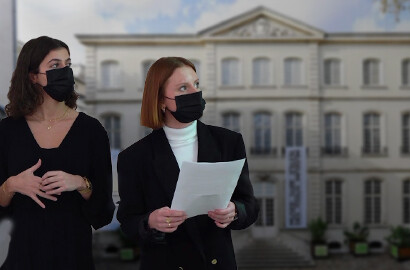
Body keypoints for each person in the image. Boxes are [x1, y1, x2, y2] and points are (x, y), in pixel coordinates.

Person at [117, 57, 259, 269]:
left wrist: (235, 211)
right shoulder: (134, 157)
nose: (195, 93)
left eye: (196, 84)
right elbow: (127, 221)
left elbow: (249, 204)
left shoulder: (229, 142)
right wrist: (150, 222)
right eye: (183, 87)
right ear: (160, 100)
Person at [0, 36, 115, 270]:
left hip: (75, 259)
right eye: (55, 65)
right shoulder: (7, 131)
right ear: (33, 76)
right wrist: (11, 185)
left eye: (68, 64)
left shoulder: (91, 131)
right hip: (22, 260)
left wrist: (81, 183)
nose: (65, 71)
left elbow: (103, 213)